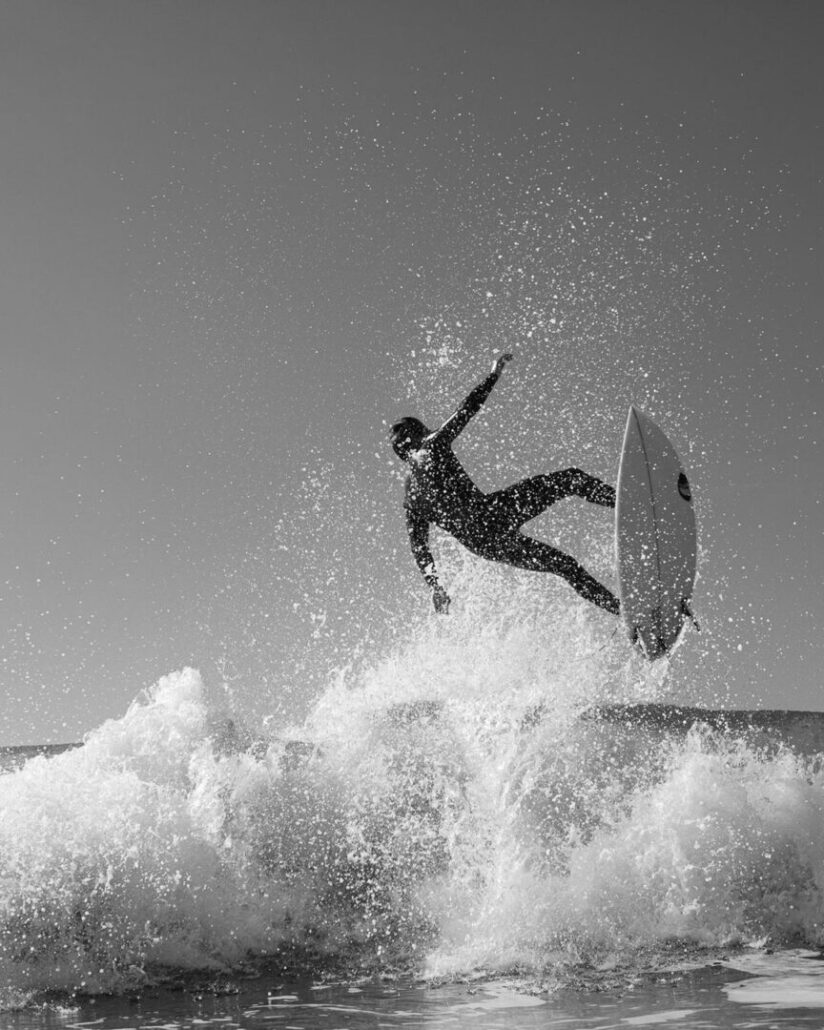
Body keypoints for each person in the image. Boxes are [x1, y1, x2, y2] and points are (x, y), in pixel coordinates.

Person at [390, 354, 620, 616]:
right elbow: (467, 409)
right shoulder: (432, 446)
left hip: (484, 544)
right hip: (494, 513)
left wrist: (435, 587)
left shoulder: (411, 498)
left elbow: (419, 548)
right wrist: (493, 375)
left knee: (564, 565)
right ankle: (624, 503)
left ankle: (621, 612)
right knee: (569, 480)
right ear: (421, 434)